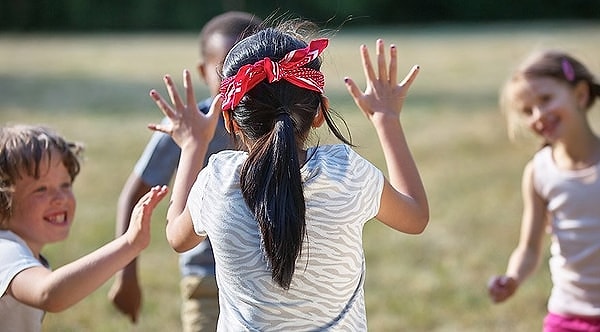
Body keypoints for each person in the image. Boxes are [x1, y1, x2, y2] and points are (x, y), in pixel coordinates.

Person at [148, 20, 429, 330]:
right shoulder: (347, 173)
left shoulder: (218, 181)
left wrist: (192, 146)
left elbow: (177, 236)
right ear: (320, 113)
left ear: (230, 120)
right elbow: (415, 216)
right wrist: (387, 120)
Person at [108, 11, 262, 330]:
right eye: (225, 70)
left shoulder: (275, 122)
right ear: (204, 71)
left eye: (248, 68)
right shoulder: (185, 126)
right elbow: (133, 196)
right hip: (205, 281)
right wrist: (126, 274)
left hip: (265, 280)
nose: (237, 80)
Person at [0, 124, 167, 332]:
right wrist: (129, 244)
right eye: (41, 189)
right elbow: (49, 294)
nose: (60, 198)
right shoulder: (5, 252)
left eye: (65, 185)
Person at [488, 50, 600, 331]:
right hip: (566, 315)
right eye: (527, 110)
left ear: (581, 94)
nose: (539, 115)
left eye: (546, 100)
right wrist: (513, 277)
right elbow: (528, 248)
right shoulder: (540, 172)